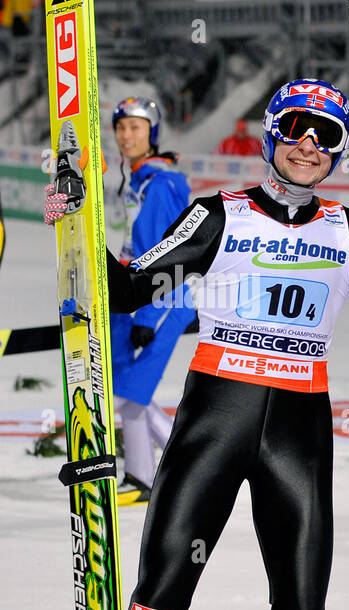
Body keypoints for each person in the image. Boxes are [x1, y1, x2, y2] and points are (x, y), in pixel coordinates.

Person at [52, 79, 349, 610]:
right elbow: (136, 288)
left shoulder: (348, 228)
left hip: (297, 425)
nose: (310, 145)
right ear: (271, 136)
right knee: (164, 583)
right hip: (218, 414)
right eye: (297, 129)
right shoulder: (219, 214)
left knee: (302, 603)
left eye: (328, 136)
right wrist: (78, 227)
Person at [108, 97, 195, 505]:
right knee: (127, 392)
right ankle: (146, 477)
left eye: (136, 128)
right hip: (134, 294)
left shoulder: (160, 184)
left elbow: (164, 255)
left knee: (127, 393)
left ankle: (167, 474)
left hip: (164, 297)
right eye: (121, 127)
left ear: (152, 133)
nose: (126, 136)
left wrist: (150, 311)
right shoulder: (139, 178)